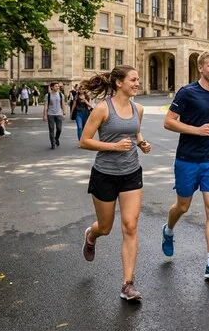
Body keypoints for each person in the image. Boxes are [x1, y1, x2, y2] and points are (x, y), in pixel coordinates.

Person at [78, 65, 151, 302]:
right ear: (119, 82)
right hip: (104, 174)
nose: (137, 83)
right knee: (106, 227)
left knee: (130, 226)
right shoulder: (102, 109)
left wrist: (142, 143)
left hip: (131, 173)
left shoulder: (137, 108)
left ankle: (127, 284)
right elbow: (85, 141)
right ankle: (92, 234)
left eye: (138, 79)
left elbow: (135, 133)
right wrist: (114, 147)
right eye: (133, 79)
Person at [162, 51, 209, 279]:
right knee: (182, 206)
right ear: (200, 68)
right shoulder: (187, 92)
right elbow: (169, 122)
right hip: (187, 160)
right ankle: (169, 230)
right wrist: (197, 130)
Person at [43, 82, 66, 149]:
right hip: (50, 114)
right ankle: (53, 144)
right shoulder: (48, 95)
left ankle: (56, 138)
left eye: (58, 86)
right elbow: (46, 106)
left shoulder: (61, 95)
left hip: (59, 114)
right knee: (51, 130)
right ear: (52, 87)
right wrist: (44, 115)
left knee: (59, 129)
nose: (57, 87)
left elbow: (63, 104)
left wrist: (64, 113)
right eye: (56, 86)